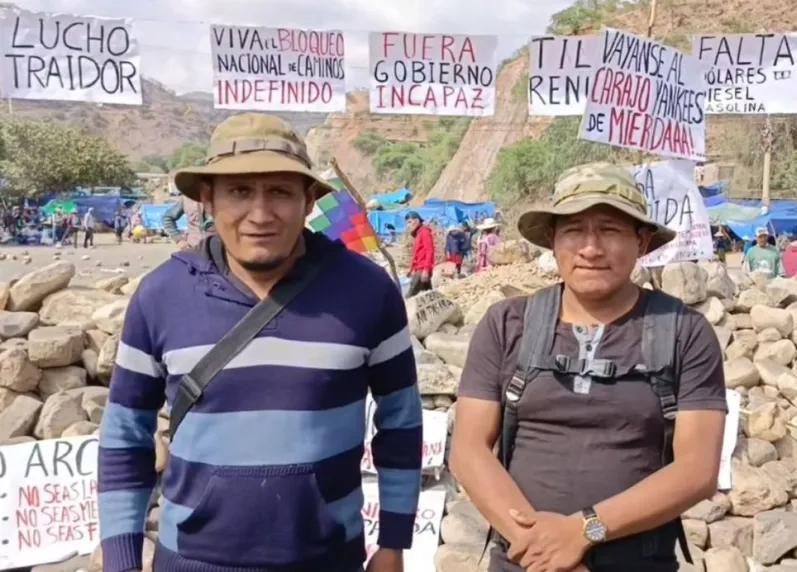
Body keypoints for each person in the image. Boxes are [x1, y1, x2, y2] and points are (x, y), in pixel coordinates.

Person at [97, 113, 421, 572]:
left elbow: (401, 424)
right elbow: (125, 437)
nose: (261, 214)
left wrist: (393, 543)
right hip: (191, 561)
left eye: (281, 192)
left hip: (328, 559)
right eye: (240, 191)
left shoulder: (369, 292)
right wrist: (121, 558)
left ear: (309, 200)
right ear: (207, 198)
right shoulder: (160, 295)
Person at [450, 163, 727, 572]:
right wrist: (542, 550)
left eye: (611, 230)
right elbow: (468, 450)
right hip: (523, 561)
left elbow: (698, 470)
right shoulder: (508, 324)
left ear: (642, 240)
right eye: (574, 230)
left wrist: (583, 531)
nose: (591, 248)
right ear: (553, 240)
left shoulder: (684, 332)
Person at [406, 211, 435, 297]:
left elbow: (430, 251)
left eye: (409, 222)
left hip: (422, 269)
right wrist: (411, 269)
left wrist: (426, 270)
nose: (408, 225)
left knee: (410, 295)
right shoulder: (418, 234)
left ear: (417, 221)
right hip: (419, 268)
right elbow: (417, 254)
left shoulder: (425, 232)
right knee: (429, 295)